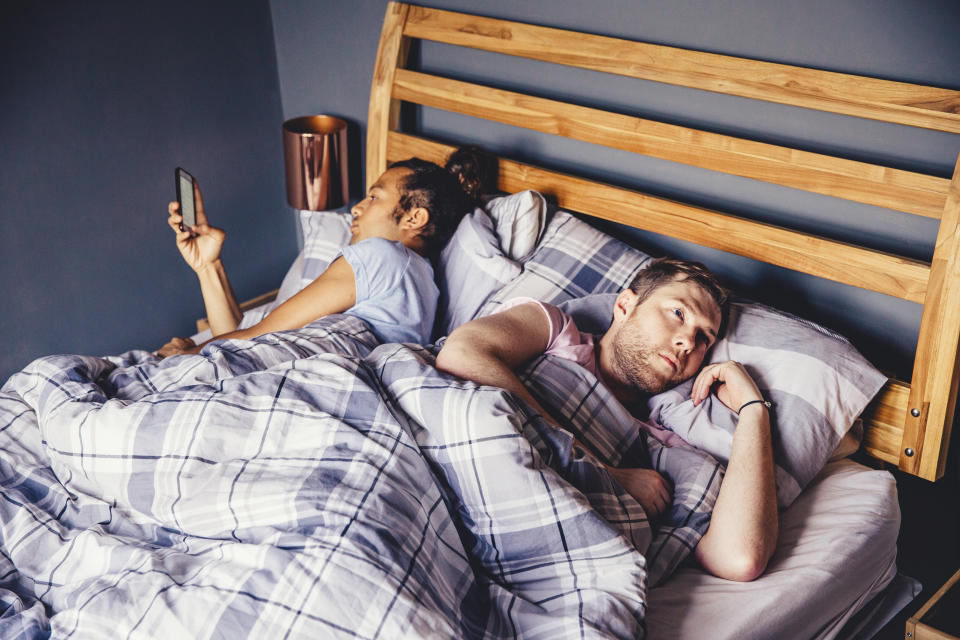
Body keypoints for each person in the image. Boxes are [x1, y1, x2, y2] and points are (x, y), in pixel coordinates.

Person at [435, 258, 778, 582]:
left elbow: (740, 558)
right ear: (625, 306)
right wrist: (604, 471)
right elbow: (461, 351)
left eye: (704, 338)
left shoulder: (663, 445)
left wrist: (754, 409)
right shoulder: (554, 332)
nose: (688, 341)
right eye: (678, 313)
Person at [157, 147, 489, 357]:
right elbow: (244, 346)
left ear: (415, 217)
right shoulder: (421, 282)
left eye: (374, 197)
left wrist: (186, 353)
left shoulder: (382, 256)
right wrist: (208, 265)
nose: (356, 209)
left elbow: (258, 337)